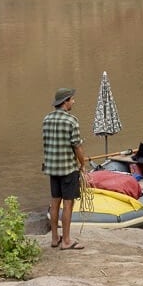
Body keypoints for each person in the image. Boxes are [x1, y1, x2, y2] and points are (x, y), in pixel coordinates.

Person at [41, 87, 88, 250]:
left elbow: (46, 144)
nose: (73, 102)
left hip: (52, 169)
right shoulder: (71, 120)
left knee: (55, 203)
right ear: (65, 101)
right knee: (68, 204)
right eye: (72, 99)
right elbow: (77, 146)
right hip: (68, 169)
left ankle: (55, 239)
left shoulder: (46, 119)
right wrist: (82, 164)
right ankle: (67, 241)